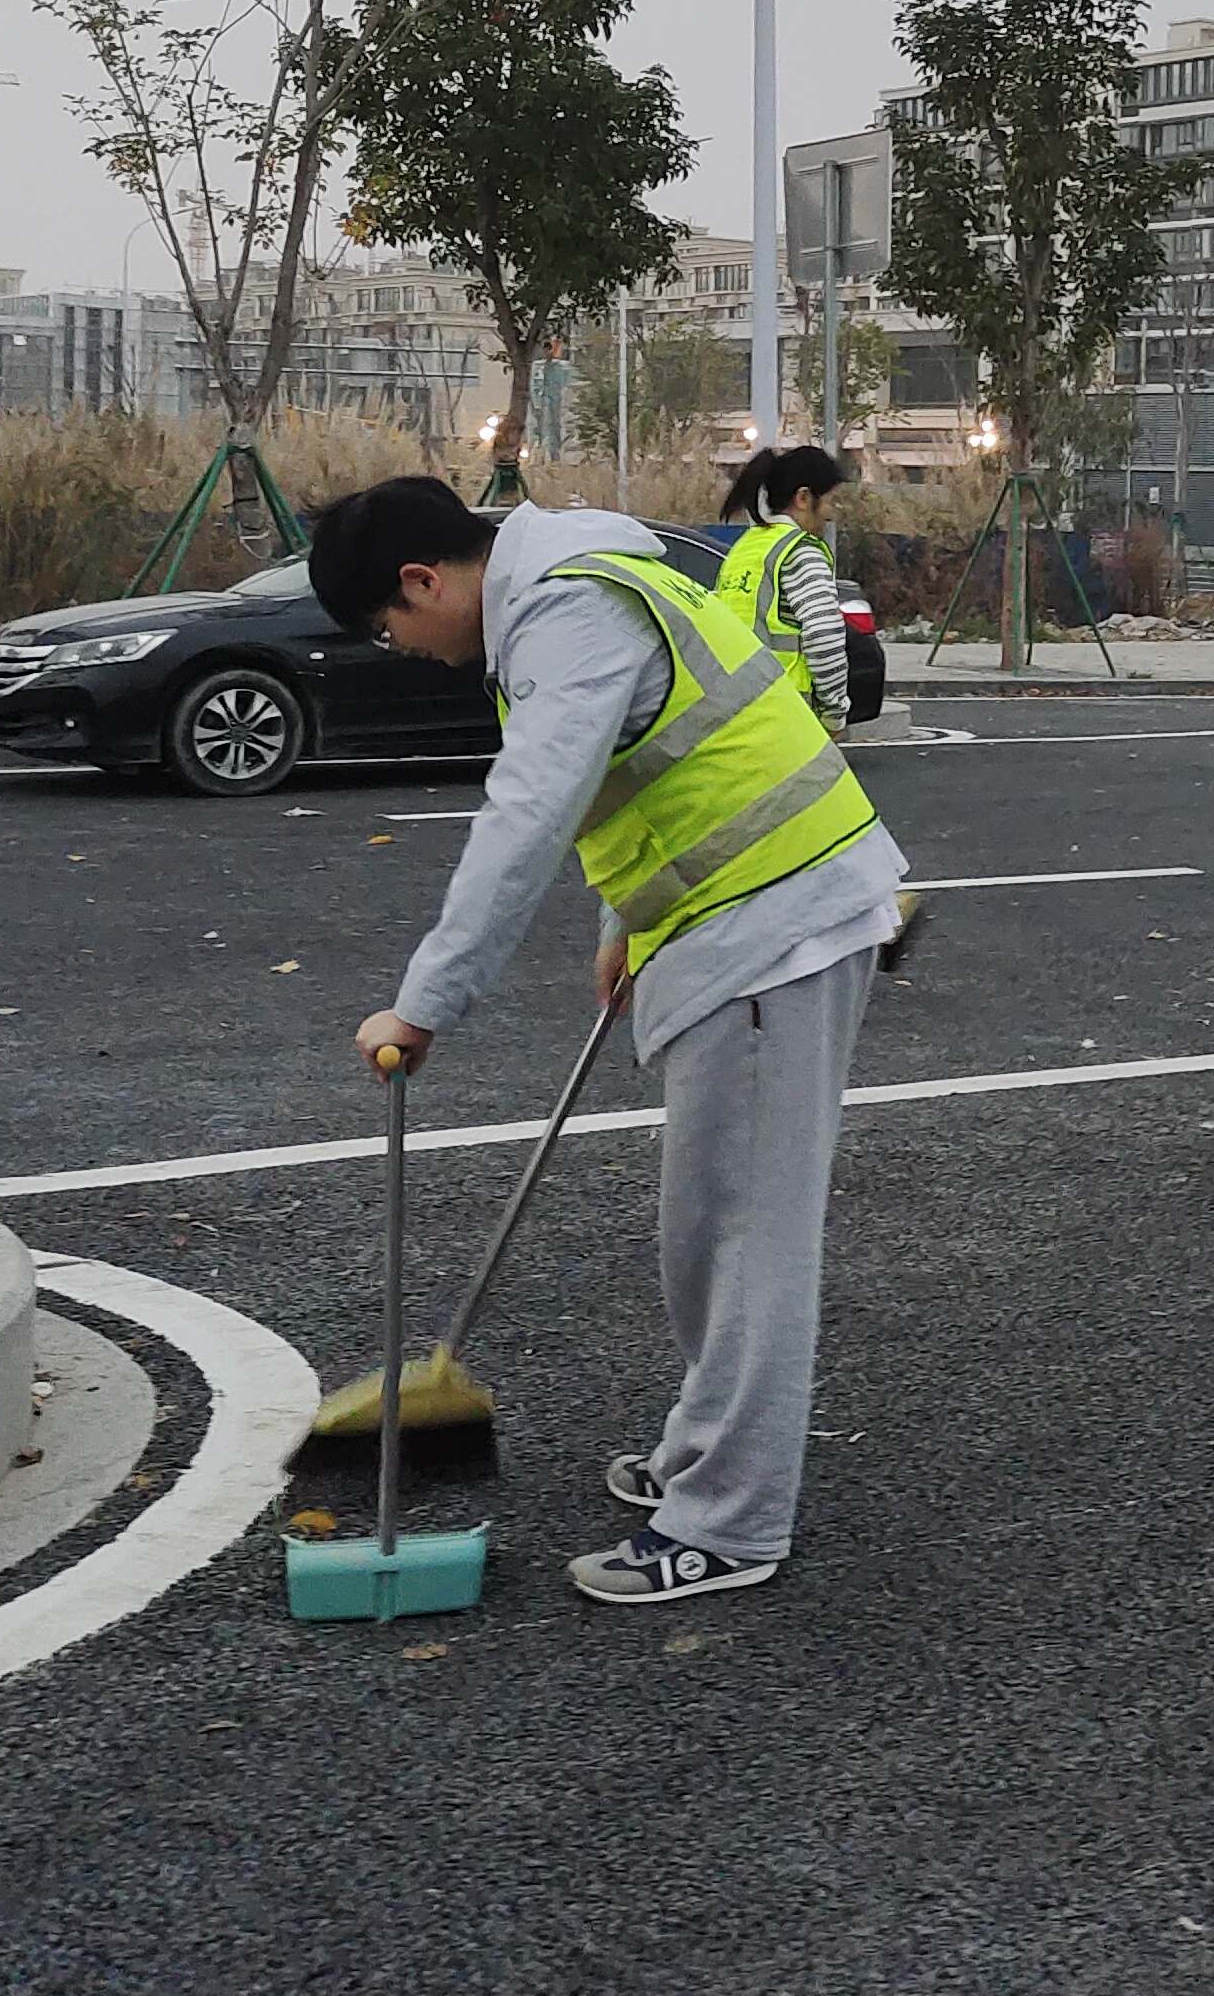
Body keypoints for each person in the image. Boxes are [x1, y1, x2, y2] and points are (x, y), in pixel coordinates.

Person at [318, 473, 907, 1607]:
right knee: (706, 1227)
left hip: (773, 926)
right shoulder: (580, 567)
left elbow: (528, 813)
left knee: (745, 1235)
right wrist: (623, 916)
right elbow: (654, 758)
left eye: (389, 625)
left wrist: (425, 1003)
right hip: (731, 917)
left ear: (421, 580)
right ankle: (704, 1454)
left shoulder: (567, 610)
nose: (403, 647)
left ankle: (730, 1524)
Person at [716, 443, 853, 734]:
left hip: (736, 714)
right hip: (787, 717)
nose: (832, 514)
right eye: (832, 501)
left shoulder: (745, 549)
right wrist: (834, 714)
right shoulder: (802, 553)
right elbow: (824, 636)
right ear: (803, 498)